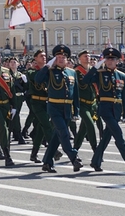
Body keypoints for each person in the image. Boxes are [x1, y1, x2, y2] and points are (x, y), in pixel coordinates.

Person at [84, 47, 125, 172]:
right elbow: (86, 80)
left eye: (112, 59)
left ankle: (95, 162)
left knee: (106, 137)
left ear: (117, 61)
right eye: (108, 59)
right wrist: (95, 67)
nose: (110, 61)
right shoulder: (100, 73)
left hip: (117, 109)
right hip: (105, 109)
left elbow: (124, 96)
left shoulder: (121, 75)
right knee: (118, 133)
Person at [36, 44, 83, 173]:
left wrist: (76, 111)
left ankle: (47, 162)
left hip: (67, 108)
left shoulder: (72, 72)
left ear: (67, 59)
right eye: (58, 57)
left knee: (57, 137)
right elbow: (38, 80)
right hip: (54, 107)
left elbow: (76, 94)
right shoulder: (50, 71)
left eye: (63, 57)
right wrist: (46, 66)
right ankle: (74, 158)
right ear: (54, 59)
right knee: (64, 133)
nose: (61, 59)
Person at [73, 50, 99, 154]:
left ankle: (74, 150)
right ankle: (95, 150)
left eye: (88, 56)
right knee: (90, 124)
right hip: (82, 103)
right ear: (80, 58)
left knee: (83, 130)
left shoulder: (93, 70)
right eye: (85, 56)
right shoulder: (76, 72)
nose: (87, 57)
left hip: (92, 103)